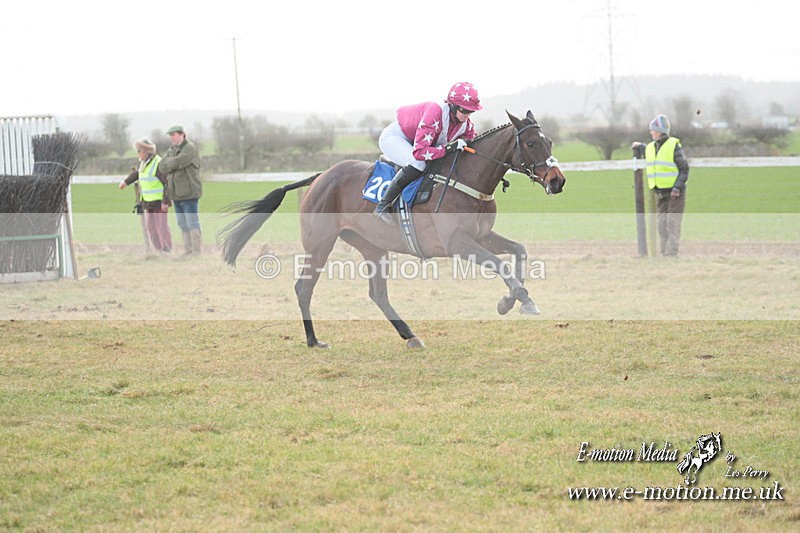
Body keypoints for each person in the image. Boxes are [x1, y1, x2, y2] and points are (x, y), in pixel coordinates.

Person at [373, 82, 482, 225]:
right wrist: (450, 148)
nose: (467, 115)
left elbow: (473, 140)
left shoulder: (465, 123)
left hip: (416, 142)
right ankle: (382, 206)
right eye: (464, 110)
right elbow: (420, 153)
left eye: (471, 112)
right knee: (418, 163)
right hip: (396, 137)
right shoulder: (435, 112)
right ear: (453, 105)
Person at [633, 114, 689, 257]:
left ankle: (671, 254)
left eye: (653, 130)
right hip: (660, 193)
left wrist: (677, 187)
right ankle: (665, 253)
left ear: (660, 131)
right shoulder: (651, 147)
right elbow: (652, 153)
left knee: (672, 224)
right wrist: (639, 147)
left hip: (675, 193)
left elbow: (684, 168)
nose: (651, 132)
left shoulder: (673, 145)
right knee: (661, 225)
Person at [119, 138, 172, 253]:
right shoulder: (144, 163)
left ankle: (167, 251)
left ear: (147, 152)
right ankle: (159, 251)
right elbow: (137, 174)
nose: (138, 153)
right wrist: (126, 182)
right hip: (148, 202)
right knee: (151, 228)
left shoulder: (158, 163)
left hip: (159, 202)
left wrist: (165, 201)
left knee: (161, 228)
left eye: (140, 151)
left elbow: (168, 183)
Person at [160, 125, 203, 257]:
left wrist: (172, 164)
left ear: (182, 134)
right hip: (176, 193)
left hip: (189, 192)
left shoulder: (189, 148)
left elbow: (179, 161)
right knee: (182, 224)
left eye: (173, 134)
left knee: (192, 222)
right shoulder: (172, 149)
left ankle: (196, 252)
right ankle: (188, 251)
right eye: (170, 135)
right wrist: (172, 164)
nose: (171, 137)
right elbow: (162, 166)